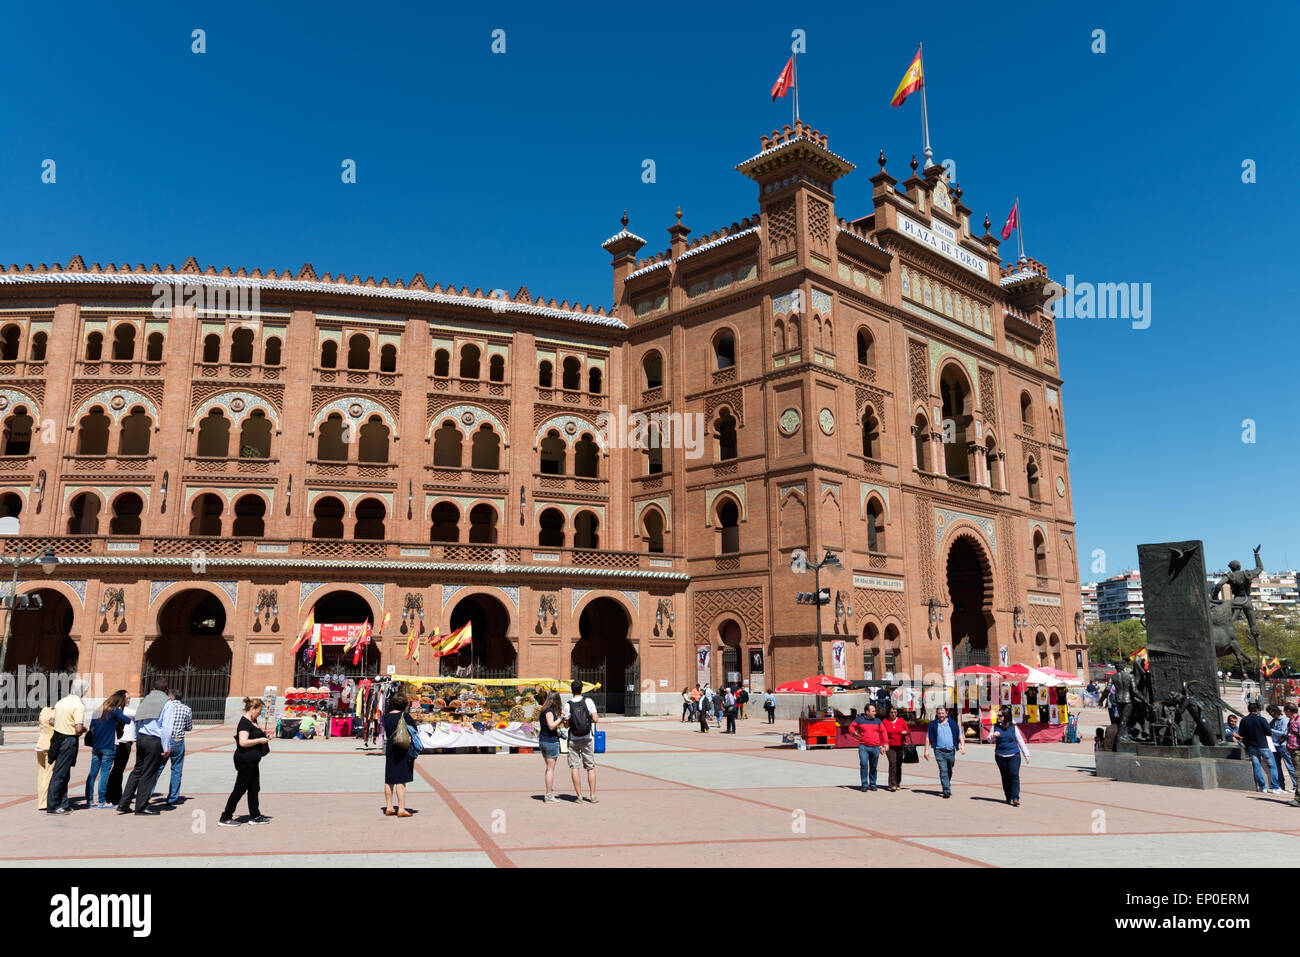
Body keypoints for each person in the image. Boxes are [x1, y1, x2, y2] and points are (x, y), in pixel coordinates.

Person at [117, 679, 174, 815]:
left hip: (142, 738)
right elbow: (167, 727)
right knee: (148, 774)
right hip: (154, 740)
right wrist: (166, 746)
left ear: (153, 688)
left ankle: (124, 803)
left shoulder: (145, 700)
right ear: (166, 690)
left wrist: (138, 738)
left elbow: (138, 720)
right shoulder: (167, 703)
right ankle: (141, 807)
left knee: (137, 770)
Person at [219, 696, 271, 826]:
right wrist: (259, 741)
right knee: (240, 789)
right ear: (252, 709)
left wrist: (265, 736)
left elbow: (255, 735)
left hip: (253, 761)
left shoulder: (254, 721)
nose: (260, 713)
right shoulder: (244, 723)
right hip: (245, 760)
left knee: (254, 788)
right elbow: (243, 742)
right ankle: (225, 817)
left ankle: (255, 815)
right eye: (259, 710)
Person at [47, 679, 88, 814]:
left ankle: (63, 803)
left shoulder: (61, 701)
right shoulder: (78, 705)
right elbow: (78, 728)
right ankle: (53, 805)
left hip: (57, 738)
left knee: (63, 773)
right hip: (68, 740)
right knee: (60, 774)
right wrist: (84, 729)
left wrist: (62, 724)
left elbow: (51, 720)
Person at [85, 691, 129, 808]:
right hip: (108, 746)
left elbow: (91, 728)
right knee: (104, 773)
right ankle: (101, 801)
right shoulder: (114, 711)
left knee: (93, 773)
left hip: (96, 746)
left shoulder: (97, 710)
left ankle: (89, 800)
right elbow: (127, 720)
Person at [381, 690, 418, 817]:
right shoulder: (405, 716)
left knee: (389, 779)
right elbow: (414, 731)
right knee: (401, 780)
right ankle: (401, 808)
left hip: (391, 748)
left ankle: (389, 807)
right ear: (405, 704)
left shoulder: (386, 716)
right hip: (403, 748)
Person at [563, 679, 599, 803]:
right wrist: (587, 720)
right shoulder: (588, 701)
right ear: (582, 689)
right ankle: (593, 796)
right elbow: (596, 719)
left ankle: (579, 796)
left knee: (574, 767)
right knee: (590, 767)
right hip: (587, 737)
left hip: (573, 738)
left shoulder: (568, 704)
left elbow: (566, 726)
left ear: (571, 690)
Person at [989, 707, 1031, 806]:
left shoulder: (1013, 727)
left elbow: (1020, 741)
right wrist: (993, 736)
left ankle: (1015, 797)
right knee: (1005, 777)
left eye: (1000, 715)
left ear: (1006, 716)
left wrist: (1026, 754)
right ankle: (1008, 796)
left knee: (1014, 776)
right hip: (1000, 756)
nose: (998, 717)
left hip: (1013, 755)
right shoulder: (995, 726)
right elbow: (989, 739)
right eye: (997, 715)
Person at [1239, 701, 1282, 794]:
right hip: (1263, 745)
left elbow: (1241, 733)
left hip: (1251, 746)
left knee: (1257, 766)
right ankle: (1275, 787)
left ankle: (1263, 787)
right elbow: (1268, 733)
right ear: (1257, 710)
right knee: (1272, 766)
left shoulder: (1244, 720)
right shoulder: (1261, 719)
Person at [923, 705, 965, 798]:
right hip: (939, 751)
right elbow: (928, 738)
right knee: (943, 770)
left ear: (946, 713)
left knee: (949, 770)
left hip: (951, 751)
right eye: (939, 713)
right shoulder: (933, 724)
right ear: (937, 714)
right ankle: (946, 790)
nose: (941, 715)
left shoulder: (953, 724)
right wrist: (926, 750)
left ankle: (946, 783)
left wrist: (962, 745)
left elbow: (959, 735)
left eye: (942, 713)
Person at [159, 690, 193, 806]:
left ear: (171, 697)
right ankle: (173, 797)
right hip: (178, 740)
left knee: (157, 768)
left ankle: (146, 794)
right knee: (176, 769)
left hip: (164, 741)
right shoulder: (186, 709)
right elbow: (189, 727)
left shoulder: (165, 707)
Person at [105, 693, 135, 806]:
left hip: (125, 742)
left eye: (129, 698)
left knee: (118, 769)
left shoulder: (121, 710)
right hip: (123, 742)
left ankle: (115, 794)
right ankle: (113, 795)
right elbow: (138, 713)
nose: (128, 700)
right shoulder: (122, 710)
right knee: (118, 769)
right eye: (127, 698)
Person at [850, 704, 889, 791]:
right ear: (867, 712)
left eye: (875, 711)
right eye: (873, 711)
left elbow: (883, 732)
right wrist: (854, 733)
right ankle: (864, 784)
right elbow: (851, 727)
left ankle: (873, 784)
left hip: (875, 747)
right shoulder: (859, 720)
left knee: (873, 767)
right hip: (863, 747)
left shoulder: (878, 721)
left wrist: (885, 743)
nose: (875, 713)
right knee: (864, 765)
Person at [538, 691, 563, 803]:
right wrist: (561, 718)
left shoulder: (544, 709)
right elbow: (551, 726)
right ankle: (548, 795)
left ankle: (550, 789)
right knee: (550, 769)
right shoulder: (549, 711)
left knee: (549, 768)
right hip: (550, 741)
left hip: (544, 740)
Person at [1267, 705, 1294, 791]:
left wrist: (1271, 730)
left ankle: (1296, 785)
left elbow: (1283, 733)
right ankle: (1281, 785)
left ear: (1275, 711)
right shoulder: (1274, 721)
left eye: (1271, 712)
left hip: (1283, 745)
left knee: (1289, 766)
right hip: (1274, 746)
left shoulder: (1284, 720)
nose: (1270, 714)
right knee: (1277, 766)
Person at [882, 705, 909, 791]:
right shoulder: (885, 722)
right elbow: (882, 733)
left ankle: (898, 782)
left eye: (895, 712)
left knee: (898, 765)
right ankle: (892, 784)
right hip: (889, 746)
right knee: (892, 763)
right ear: (888, 713)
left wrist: (905, 732)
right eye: (891, 712)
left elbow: (908, 730)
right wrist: (882, 745)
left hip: (900, 745)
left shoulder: (901, 721)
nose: (893, 714)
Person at [35, 704, 55, 811]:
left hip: (41, 742)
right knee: (49, 773)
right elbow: (53, 722)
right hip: (49, 744)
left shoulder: (43, 710)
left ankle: (41, 801)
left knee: (42, 773)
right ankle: (45, 801)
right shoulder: (53, 711)